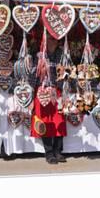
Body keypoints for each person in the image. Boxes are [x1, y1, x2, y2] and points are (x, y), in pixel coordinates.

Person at [31, 36, 67, 165]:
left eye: (55, 40)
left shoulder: (62, 54)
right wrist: (31, 96)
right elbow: (33, 75)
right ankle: (49, 152)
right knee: (44, 122)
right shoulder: (39, 55)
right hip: (42, 91)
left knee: (59, 121)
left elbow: (68, 72)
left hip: (57, 91)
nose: (54, 42)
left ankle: (58, 151)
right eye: (51, 40)